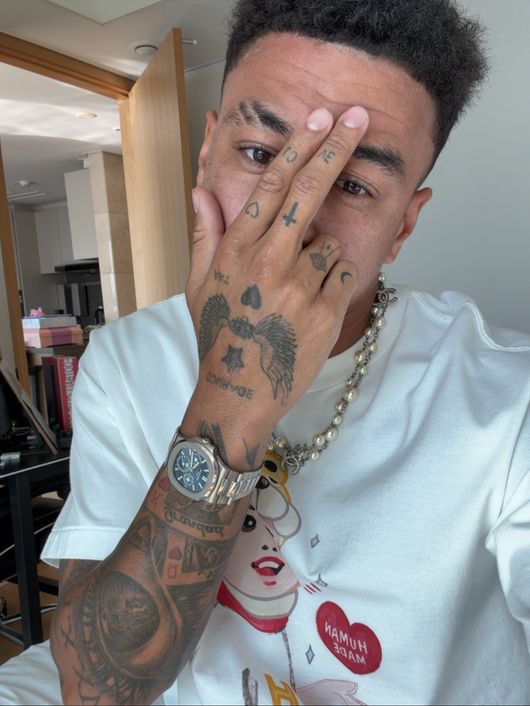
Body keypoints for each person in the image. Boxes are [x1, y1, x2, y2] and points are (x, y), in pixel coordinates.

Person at [1, 0, 529, 703]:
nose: (291, 216)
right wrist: (230, 403)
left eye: (353, 184)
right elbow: (97, 687)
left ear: (402, 225)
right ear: (206, 153)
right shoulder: (123, 362)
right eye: (258, 154)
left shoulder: (507, 398)